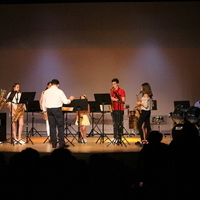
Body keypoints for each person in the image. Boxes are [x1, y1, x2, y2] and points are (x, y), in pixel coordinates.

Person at [42, 79, 74, 148]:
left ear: (52, 84)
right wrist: (70, 99)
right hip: (57, 110)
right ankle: (61, 144)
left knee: (52, 127)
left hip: (49, 110)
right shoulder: (59, 91)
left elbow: (43, 102)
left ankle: (54, 144)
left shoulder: (46, 92)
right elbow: (65, 102)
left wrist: (44, 111)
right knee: (60, 126)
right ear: (58, 85)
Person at [110, 78, 126, 143]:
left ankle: (119, 138)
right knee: (115, 124)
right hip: (113, 109)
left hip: (119, 109)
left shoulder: (121, 91)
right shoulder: (111, 91)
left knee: (119, 124)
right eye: (112, 84)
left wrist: (115, 99)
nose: (113, 85)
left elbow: (123, 100)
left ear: (117, 84)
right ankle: (115, 137)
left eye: (114, 84)